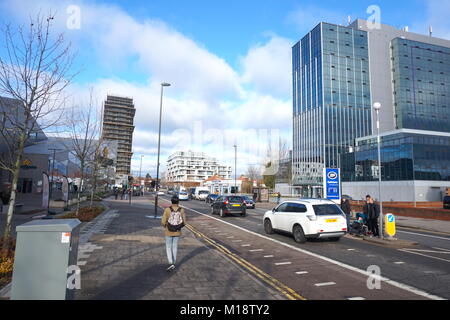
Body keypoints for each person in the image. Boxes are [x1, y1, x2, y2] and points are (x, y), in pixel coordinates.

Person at [161, 196, 186, 271]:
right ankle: (174, 262)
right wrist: (179, 226)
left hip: (168, 231)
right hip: (177, 231)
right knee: (174, 247)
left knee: (168, 247)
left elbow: (163, 221)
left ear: (171, 201)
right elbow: (184, 222)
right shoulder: (181, 210)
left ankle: (170, 263)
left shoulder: (167, 210)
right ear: (178, 202)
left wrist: (165, 226)